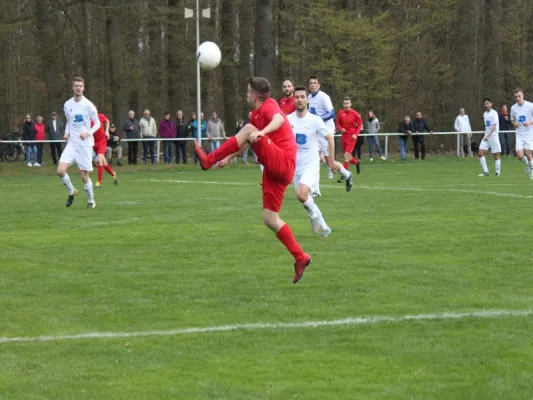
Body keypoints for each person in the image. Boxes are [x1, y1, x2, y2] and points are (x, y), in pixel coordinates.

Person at [194, 77, 312, 284]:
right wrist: (229, 157)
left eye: (247, 92)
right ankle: (300, 257)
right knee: (270, 218)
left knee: (249, 129)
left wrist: (263, 132)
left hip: (283, 161)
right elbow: (248, 139)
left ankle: (207, 160)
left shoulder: (269, 106)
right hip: (273, 169)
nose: (246, 95)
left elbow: (278, 120)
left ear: (254, 95)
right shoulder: (255, 114)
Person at [288, 86, 353, 238]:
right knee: (305, 199)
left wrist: (331, 160)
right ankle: (324, 226)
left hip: (311, 165)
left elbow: (330, 138)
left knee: (301, 194)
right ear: (294, 99)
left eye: (302, 97)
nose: (299, 100)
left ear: (307, 100)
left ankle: (314, 217)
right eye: (297, 97)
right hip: (295, 166)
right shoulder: (288, 119)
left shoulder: (315, 120)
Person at [57, 77, 100, 208]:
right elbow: (69, 122)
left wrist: (88, 133)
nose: (78, 88)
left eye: (80, 86)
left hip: (85, 144)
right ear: (73, 88)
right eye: (76, 85)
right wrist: (66, 133)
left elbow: (97, 123)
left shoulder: (88, 105)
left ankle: (91, 200)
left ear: (83, 88)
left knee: (84, 176)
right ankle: (72, 191)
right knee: (60, 171)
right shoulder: (67, 104)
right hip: (72, 143)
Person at [308, 75, 337, 179]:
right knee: (315, 154)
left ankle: (344, 174)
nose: (313, 85)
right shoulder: (309, 98)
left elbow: (331, 113)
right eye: (311, 83)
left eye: (315, 83)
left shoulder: (324, 97)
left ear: (319, 85)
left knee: (327, 156)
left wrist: (318, 119)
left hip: (326, 129)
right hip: (316, 130)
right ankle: (313, 175)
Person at [336, 96, 362, 182]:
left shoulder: (355, 114)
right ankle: (357, 162)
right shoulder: (340, 112)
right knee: (348, 157)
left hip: (351, 137)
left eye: (347, 103)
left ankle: (344, 175)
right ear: (343, 104)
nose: (346, 105)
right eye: (345, 103)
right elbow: (338, 123)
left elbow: (360, 125)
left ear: (350, 104)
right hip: (344, 136)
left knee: (346, 155)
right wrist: (341, 129)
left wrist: (356, 134)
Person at [91, 107, 117, 188]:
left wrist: (106, 131)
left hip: (102, 140)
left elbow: (107, 121)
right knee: (103, 162)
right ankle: (113, 174)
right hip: (94, 142)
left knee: (99, 159)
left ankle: (99, 182)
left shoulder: (100, 116)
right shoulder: (88, 119)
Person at [510, 88, 533, 179]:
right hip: (519, 134)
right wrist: (514, 123)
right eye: (516, 97)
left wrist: (529, 123)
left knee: (528, 153)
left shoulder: (530, 106)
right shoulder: (513, 108)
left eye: (519, 96)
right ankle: (527, 164)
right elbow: (512, 119)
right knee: (520, 156)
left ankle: (532, 172)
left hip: (529, 133)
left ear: (523, 95)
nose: (518, 98)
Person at [478, 98, 501, 177]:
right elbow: (487, 126)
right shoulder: (485, 114)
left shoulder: (494, 113)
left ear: (491, 104)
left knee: (496, 155)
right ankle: (485, 172)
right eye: (485, 104)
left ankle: (497, 173)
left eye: (488, 103)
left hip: (493, 136)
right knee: (480, 153)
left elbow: (494, 126)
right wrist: (486, 136)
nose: (486, 105)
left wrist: (488, 136)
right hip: (486, 136)